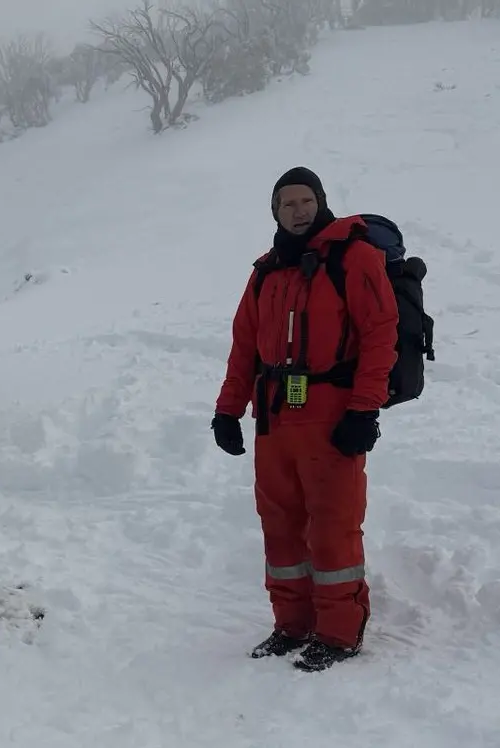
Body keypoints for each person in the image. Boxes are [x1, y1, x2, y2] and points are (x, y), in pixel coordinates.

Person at [212, 166, 399, 673]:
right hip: (274, 420)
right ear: (274, 212)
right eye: (286, 204)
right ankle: (291, 624)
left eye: (304, 201)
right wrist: (227, 410)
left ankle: (338, 633)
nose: (297, 211)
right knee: (281, 526)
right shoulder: (265, 271)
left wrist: (364, 409)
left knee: (334, 526)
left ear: (320, 201)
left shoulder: (354, 257)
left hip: (331, 418)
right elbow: (244, 347)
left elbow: (381, 334)